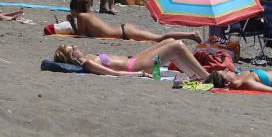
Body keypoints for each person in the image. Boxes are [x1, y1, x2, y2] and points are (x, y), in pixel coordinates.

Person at [67, 0, 199, 42]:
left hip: (124, 32)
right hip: (123, 29)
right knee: (158, 37)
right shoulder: (89, 14)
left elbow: (81, 34)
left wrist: (71, 21)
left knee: (159, 38)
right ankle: (191, 35)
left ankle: (191, 35)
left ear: (74, 10)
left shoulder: (81, 16)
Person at [53, 40, 209, 80]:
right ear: (71, 59)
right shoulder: (88, 63)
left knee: (170, 41)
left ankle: (194, 76)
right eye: (72, 50)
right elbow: (115, 74)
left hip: (135, 60)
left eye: (73, 45)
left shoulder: (87, 58)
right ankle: (207, 77)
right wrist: (140, 74)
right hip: (136, 66)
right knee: (178, 46)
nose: (75, 47)